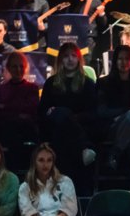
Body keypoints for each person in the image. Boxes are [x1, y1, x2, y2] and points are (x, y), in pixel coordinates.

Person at [38, 42, 97, 193]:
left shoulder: (88, 84)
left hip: (80, 127)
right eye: (65, 56)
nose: (70, 59)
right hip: (57, 130)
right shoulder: (51, 83)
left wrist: (68, 117)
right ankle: (86, 146)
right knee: (61, 115)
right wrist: (54, 113)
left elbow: (93, 113)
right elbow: (42, 111)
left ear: (79, 59)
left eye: (73, 56)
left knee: (63, 115)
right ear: (60, 60)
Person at [96, 45, 130, 191]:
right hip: (111, 128)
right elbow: (101, 112)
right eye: (120, 58)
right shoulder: (104, 83)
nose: (123, 62)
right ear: (115, 61)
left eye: (127, 59)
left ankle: (115, 156)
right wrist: (128, 113)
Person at [0, 51, 40, 169]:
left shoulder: (33, 88)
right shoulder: (0, 89)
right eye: (15, 66)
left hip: (26, 128)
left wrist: (5, 107)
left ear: (25, 67)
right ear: (8, 68)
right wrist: (19, 112)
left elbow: (32, 109)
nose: (18, 69)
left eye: (21, 66)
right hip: (5, 129)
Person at [68, 0, 107, 65]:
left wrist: (101, 13)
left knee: (85, 65)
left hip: (88, 40)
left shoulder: (95, 1)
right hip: (74, 39)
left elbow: (103, 24)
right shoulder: (72, 3)